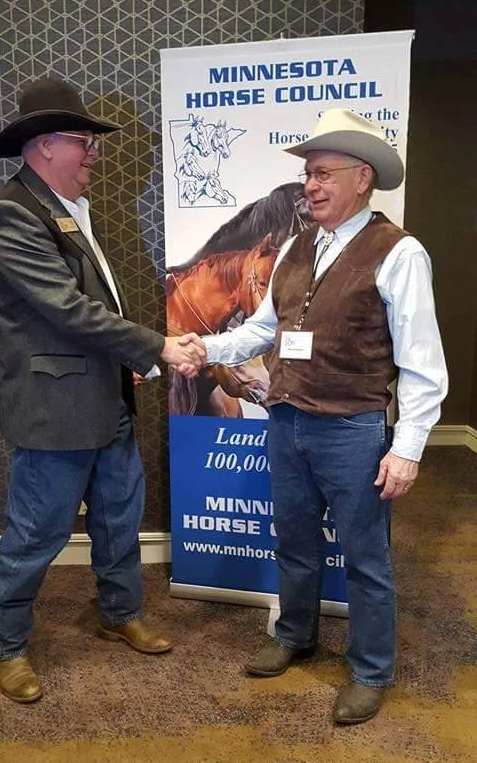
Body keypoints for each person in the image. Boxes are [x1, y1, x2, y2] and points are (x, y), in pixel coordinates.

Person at [192, 108, 448, 725]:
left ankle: (370, 669)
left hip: (353, 429)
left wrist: (407, 447)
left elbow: (422, 363)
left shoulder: (400, 252)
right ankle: (296, 633)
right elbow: (261, 330)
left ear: (363, 177)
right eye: (308, 174)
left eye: (324, 173)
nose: (311, 185)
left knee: (365, 556)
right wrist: (205, 348)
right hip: (287, 421)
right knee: (295, 540)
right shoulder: (294, 249)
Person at [0, 76, 205, 703]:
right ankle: (6, 646)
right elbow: (67, 309)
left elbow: (94, 306)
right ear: (45, 145)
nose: (96, 154)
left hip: (107, 398)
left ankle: (119, 612)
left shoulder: (67, 207)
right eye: (84, 142)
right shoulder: (13, 216)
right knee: (36, 533)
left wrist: (125, 360)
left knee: (118, 517)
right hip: (54, 412)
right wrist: (154, 346)